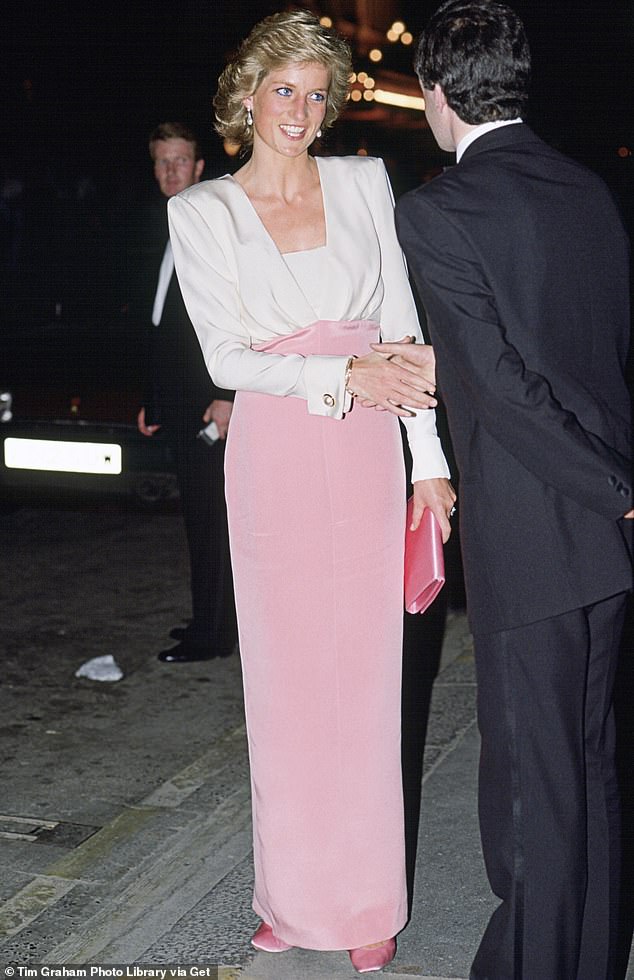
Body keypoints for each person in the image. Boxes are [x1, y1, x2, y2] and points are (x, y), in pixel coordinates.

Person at [167, 10, 455, 974]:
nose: (299, 108)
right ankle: (292, 900)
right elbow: (227, 357)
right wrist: (342, 380)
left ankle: (366, 901)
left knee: (366, 682)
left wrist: (429, 462)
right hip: (279, 452)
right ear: (246, 97)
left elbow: (403, 323)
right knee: (288, 686)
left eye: (314, 92)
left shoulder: (364, 182)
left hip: (371, 446)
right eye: (281, 89)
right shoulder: (202, 210)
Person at [384, 2, 633, 977]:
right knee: (591, 762)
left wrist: (613, 488)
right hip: (605, 537)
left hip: (543, 529)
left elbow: (502, 388)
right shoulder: (587, 190)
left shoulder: (438, 209)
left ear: (435, 94)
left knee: (535, 781)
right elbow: (594, 358)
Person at [138, 122, 237, 663]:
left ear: (200, 167)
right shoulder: (171, 225)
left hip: (210, 405)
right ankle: (207, 619)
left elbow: (235, 318)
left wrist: (229, 396)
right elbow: (164, 325)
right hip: (179, 403)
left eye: (179, 161)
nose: (169, 172)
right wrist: (152, 400)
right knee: (196, 519)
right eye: (160, 162)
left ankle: (215, 634)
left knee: (212, 521)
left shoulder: (213, 226)